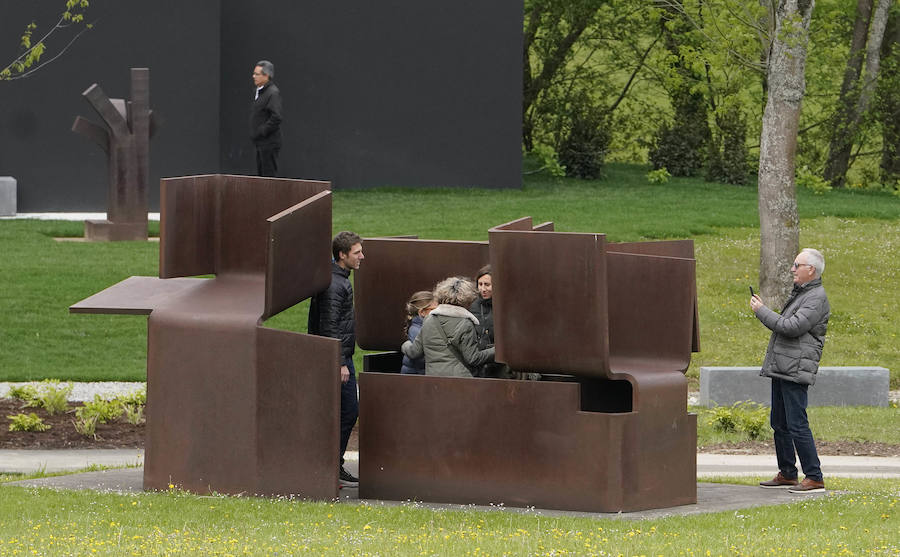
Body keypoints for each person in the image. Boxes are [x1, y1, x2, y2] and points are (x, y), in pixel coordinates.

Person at [750, 248, 830, 494]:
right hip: (784, 367)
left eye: (797, 265)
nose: (792, 269)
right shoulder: (802, 294)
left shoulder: (816, 298)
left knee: (797, 424)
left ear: (811, 270)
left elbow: (791, 327)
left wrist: (761, 311)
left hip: (795, 369)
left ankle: (814, 477)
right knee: (780, 423)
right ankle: (787, 473)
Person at [308, 231, 364, 487]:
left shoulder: (338, 279)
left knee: (343, 412)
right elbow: (330, 326)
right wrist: (340, 362)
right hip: (338, 360)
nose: (362, 256)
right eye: (357, 252)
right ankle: (330, 466)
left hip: (339, 357)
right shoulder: (335, 284)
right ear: (342, 255)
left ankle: (332, 465)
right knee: (348, 410)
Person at [401, 277, 494, 378]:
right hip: (459, 380)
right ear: (467, 299)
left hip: (433, 378)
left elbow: (414, 352)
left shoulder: (429, 320)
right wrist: (495, 350)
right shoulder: (465, 323)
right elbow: (473, 358)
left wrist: (405, 345)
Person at [250, 60, 282, 177]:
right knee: (261, 176)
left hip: (269, 143)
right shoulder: (259, 91)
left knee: (268, 177)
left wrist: (262, 131)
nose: (254, 76)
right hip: (260, 142)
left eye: (257, 74)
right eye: (254, 73)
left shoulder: (272, 93)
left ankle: (272, 196)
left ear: (266, 76)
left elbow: (276, 117)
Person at [400, 291, 437, 375]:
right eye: (434, 309)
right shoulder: (416, 330)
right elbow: (420, 357)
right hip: (414, 375)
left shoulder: (424, 326)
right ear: (422, 312)